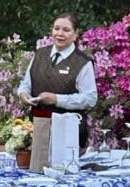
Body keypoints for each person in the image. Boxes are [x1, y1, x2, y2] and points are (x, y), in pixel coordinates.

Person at [18, 13, 97, 157]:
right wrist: (23, 94)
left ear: (75, 34)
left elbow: (90, 98)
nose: (60, 34)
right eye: (56, 29)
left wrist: (57, 99)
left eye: (66, 30)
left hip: (69, 133)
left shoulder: (83, 62)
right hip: (36, 128)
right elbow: (25, 84)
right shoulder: (40, 54)